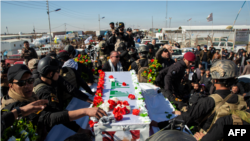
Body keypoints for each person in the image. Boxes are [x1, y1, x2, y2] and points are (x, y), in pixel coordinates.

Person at [0, 64, 107, 140]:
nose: (27, 86)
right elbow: (48, 117)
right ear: (11, 86)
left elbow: (56, 109)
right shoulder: (13, 106)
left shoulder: (30, 96)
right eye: (22, 83)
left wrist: (79, 129)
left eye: (30, 81)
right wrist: (85, 111)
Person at [152, 60, 247, 138]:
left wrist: (160, 124)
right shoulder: (242, 100)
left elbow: (187, 119)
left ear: (215, 79)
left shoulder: (209, 101)